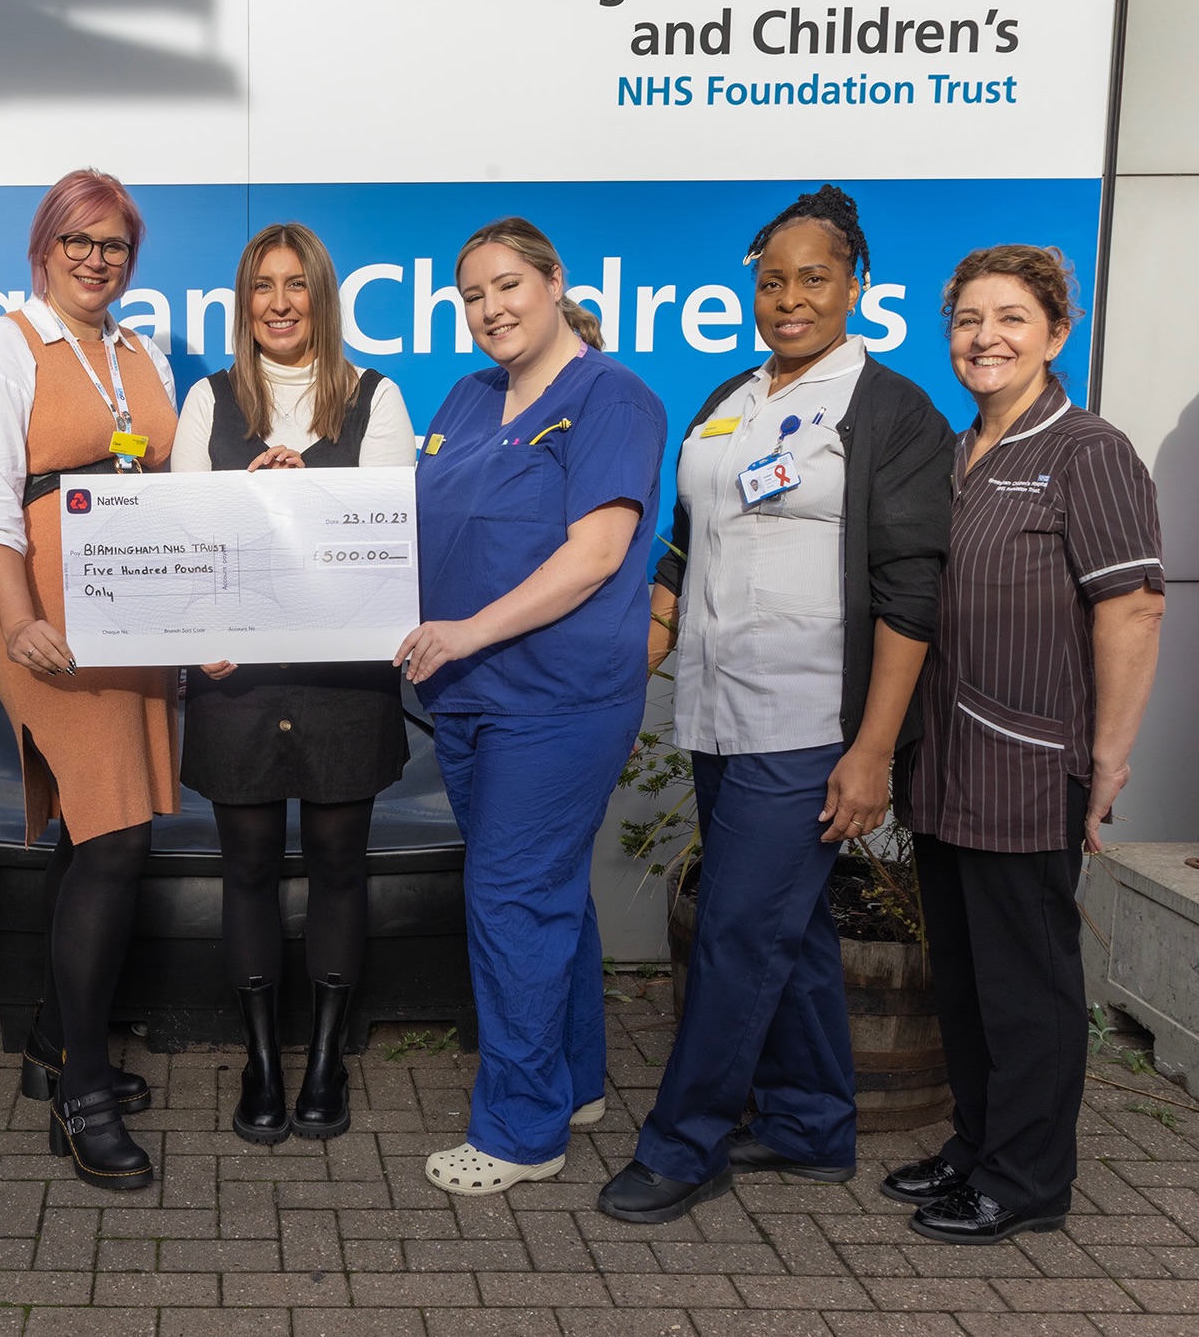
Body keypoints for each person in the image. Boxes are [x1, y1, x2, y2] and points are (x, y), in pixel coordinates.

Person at [602, 186, 954, 1224]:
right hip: (715, 712)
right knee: (785, 930)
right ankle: (809, 1125)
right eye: (771, 280)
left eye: (813, 278)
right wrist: (638, 661)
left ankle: (685, 1141)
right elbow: (682, 544)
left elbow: (911, 593)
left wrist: (873, 748)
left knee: (736, 934)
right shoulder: (730, 397)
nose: (789, 298)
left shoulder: (889, 410)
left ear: (856, 286)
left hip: (807, 724)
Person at [886, 246, 1163, 1244]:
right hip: (947, 765)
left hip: (1033, 766)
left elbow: (1131, 611)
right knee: (961, 977)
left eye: (1010, 318)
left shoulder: (1088, 452)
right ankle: (977, 1145)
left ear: (1057, 332)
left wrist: (1108, 764)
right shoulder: (957, 454)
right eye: (968, 320)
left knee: (1027, 984)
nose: (985, 337)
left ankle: (1029, 1179)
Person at [403, 217, 666, 1195]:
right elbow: (413, 513)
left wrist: (469, 631)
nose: (490, 310)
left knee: (511, 899)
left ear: (555, 284)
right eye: (471, 296)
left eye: (507, 286)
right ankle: (576, 1082)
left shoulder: (613, 396)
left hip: (555, 701)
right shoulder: (469, 397)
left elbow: (597, 553)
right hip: (469, 701)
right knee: (543, 891)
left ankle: (520, 1133)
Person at [0, 168, 177, 1190]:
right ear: (45, 248)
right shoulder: (6, 343)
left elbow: (175, 489)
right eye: (79, 242)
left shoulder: (143, 351)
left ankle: (50, 1041)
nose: (97, 260)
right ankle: (82, 1093)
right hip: (53, 627)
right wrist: (17, 614)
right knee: (116, 837)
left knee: (98, 836)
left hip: (138, 619)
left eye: (114, 245)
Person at [169, 222, 416, 1143]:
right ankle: (262, 1061)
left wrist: (300, 488)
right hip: (237, 681)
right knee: (247, 873)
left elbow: (383, 536)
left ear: (321, 296)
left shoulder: (376, 399)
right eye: (262, 286)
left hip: (341, 684)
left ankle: (325, 1062)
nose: (278, 302)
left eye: (295, 284)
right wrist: (204, 632)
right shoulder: (208, 401)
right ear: (245, 302)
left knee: (340, 871)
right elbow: (189, 536)